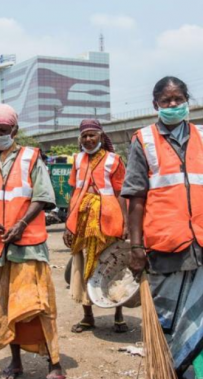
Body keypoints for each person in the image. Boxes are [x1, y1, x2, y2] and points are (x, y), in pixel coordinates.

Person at [122, 76, 203, 379]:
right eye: (167, 101)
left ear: (187, 100)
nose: (173, 105)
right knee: (172, 324)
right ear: (156, 105)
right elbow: (136, 197)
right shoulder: (144, 140)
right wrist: (136, 247)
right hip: (166, 247)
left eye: (178, 99)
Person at [0, 104, 66, 379]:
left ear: (15, 130)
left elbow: (44, 196)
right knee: (4, 307)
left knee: (37, 305)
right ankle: (15, 362)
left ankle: (54, 364)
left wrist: (22, 224)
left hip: (28, 246)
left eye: (3, 130)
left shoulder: (31, 157)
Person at [62, 119, 129, 334]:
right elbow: (75, 193)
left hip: (109, 222)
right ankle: (87, 316)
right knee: (83, 268)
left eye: (92, 135)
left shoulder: (114, 160)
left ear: (101, 136)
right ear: (80, 139)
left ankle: (118, 315)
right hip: (81, 222)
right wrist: (68, 224)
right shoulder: (77, 160)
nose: (88, 139)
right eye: (84, 136)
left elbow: (121, 194)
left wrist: (126, 223)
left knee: (113, 265)